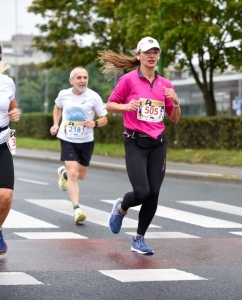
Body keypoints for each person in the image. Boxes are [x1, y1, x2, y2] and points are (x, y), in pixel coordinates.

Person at [98, 37, 181, 255]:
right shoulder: (128, 80)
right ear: (139, 55)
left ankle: (138, 239)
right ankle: (121, 208)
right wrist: (127, 106)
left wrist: (176, 102)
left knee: (154, 193)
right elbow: (110, 105)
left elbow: (174, 118)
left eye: (155, 52)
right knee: (142, 192)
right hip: (135, 142)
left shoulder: (166, 85)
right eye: (147, 52)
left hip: (158, 144)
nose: (152, 56)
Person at [50, 66, 108, 224]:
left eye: (85, 78)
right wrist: (56, 124)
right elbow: (57, 107)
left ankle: (64, 174)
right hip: (67, 138)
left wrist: (94, 123)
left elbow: (104, 118)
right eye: (79, 78)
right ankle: (77, 209)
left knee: (80, 175)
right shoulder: (63, 94)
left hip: (86, 140)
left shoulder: (94, 97)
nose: (82, 81)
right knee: (74, 173)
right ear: (71, 80)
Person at [0, 55, 21, 255]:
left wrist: (16, 114)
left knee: (5, 196)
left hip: (2, 141)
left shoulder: (7, 83)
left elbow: (14, 109)